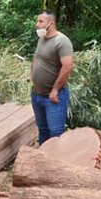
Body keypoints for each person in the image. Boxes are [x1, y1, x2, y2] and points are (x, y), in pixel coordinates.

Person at [30, 11, 74, 144]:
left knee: (55, 133)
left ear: (51, 23)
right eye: (37, 21)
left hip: (53, 97)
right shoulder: (42, 39)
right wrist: (32, 76)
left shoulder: (62, 41)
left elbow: (67, 66)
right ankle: (43, 159)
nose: (37, 25)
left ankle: (57, 162)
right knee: (42, 130)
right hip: (37, 94)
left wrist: (55, 90)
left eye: (41, 21)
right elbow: (37, 58)